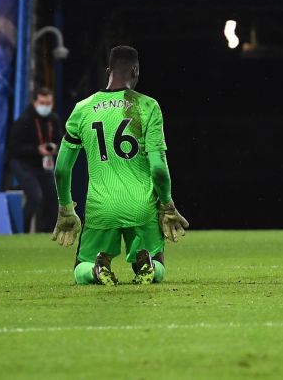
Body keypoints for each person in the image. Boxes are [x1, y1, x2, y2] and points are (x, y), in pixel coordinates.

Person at [50, 46, 189, 285]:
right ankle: (147, 265)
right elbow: (158, 167)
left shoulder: (83, 109)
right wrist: (166, 204)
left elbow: (62, 169)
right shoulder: (148, 107)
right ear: (135, 71)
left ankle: (96, 270)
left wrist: (65, 207)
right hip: (141, 206)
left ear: (108, 71)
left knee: (80, 268)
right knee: (158, 265)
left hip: (101, 207)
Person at [4, 88, 62, 233]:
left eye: (48, 103)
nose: (45, 106)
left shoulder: (53, 119)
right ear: (35, 102)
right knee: (35, 196)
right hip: (22, 163)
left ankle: (46, 232)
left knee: (53, 196)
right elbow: (13, 148)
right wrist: (37, 149)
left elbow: (60, 139)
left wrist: (54, 147)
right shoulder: (24, 120)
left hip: (43, 163)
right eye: (42, 103)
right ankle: (22, 231)